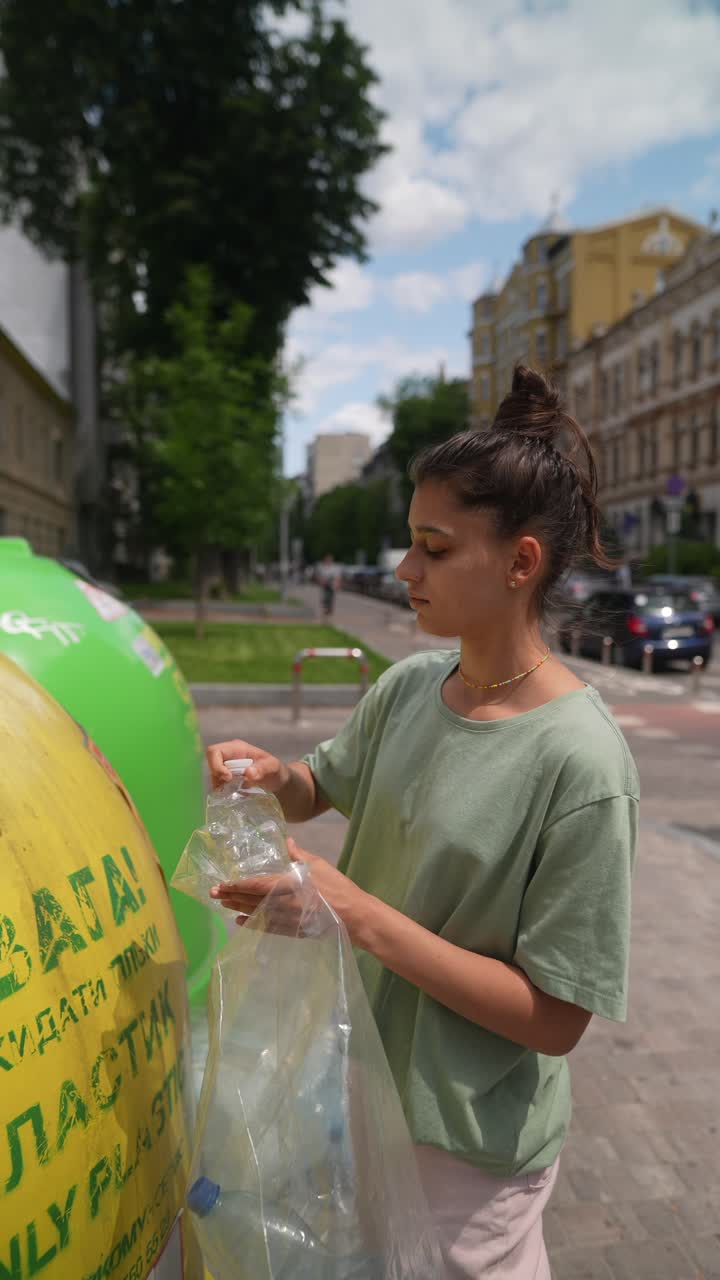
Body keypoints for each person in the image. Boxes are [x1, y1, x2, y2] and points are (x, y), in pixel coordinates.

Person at [207, 365, 639, 1279]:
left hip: (466, 1152)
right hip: (356, 1083)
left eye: (434, 550)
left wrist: (352, 912)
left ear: (521, 563)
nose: (405, 570)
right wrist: (270, 773)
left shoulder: (583, 761)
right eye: (411, 543)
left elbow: (555, 1019)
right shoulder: (410, 686)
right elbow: (320, 785)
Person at [317, 553, 340, 617]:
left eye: (329, 559)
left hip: (331, 586)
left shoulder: (334, 568)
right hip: (324, 586)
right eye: (327, 559)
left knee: (330, 599)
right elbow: (319, 576)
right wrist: (321, 581)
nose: (328, 561)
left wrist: (337, 585)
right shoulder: (322, 568)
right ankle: (325, 612)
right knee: (324, 599)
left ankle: (329, 611)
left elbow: (337, 577)